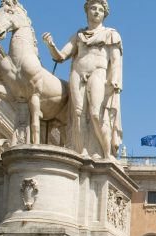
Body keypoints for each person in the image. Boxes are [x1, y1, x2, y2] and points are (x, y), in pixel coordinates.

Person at [42, 0, 123, 159]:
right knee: (77, 114)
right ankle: (82, 150)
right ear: (87, 11)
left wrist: (114, 82)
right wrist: (50, 45)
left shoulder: (111, 34)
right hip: (77, 73)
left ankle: (106, 153)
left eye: (100, 9)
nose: (96, 12)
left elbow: (116, 61)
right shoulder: (78, 36)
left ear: (104, 14)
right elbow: (61, 56)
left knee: (95, 113)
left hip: (98, 73)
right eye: (93, 8)